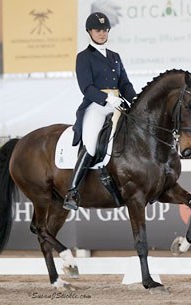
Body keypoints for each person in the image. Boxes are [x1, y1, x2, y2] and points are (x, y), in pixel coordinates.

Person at [63, 12, 136, 210]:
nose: (102, 34)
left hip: (118, 104)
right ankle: (72, 191)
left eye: (105, 30)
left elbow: (125, 84)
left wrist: (135, 99)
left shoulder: (115, 56)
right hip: (96, 105)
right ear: (89, 32)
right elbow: (86, 87)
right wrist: (107, 98)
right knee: (92, 144)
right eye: (98, 30)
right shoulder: (84, 57)